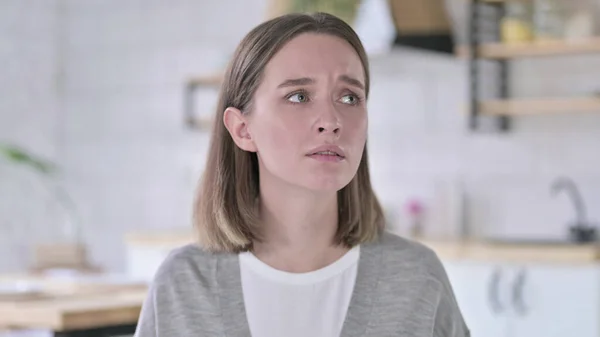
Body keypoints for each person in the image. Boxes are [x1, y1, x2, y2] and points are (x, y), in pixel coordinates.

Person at [134, 12, 469, 337]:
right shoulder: (183, 284)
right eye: (299, 96)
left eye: (350, 97)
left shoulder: (416, 279)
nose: (331, 119)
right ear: (242, 129)